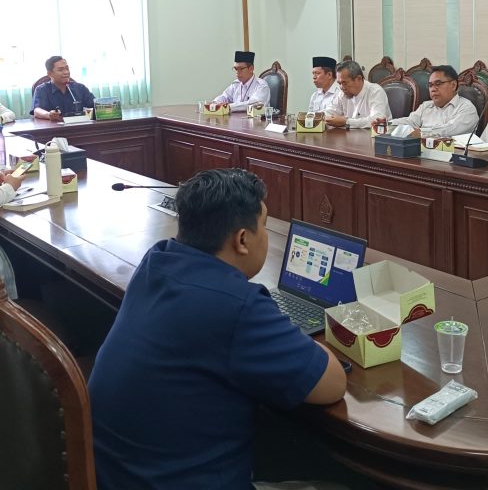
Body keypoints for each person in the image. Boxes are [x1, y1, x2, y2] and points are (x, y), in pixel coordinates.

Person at [88, 168, 348, 490]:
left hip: (115, 477)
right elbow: (332, 384)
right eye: (265, 226)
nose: (266, 237)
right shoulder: (236, 306)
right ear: (242, 239)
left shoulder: (155, 262)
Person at [391, 64, 478, 138]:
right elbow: (410, 121)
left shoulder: (466, 108)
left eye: (438, 84)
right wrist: (387, 124)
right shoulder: (426, 106)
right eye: (430, 85)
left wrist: (422, 133)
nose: (433, 89)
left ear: (453, 85)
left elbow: (450, 130)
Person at [325, 59, 391, 129]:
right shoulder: (342, 94)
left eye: (345, 83)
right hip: (350, 134)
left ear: (359, 78)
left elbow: (377, 120)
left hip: (375, 134)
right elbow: (329, 112)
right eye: (339, 83)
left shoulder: (375, 91)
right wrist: (323, 117)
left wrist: (346, 122)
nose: (341, 87)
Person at [31, 56, 95, 121]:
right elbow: (37, 111)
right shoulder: (42, 90)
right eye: (60, 70)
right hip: (54, 126)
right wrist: (49, 114)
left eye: (67, 68)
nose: (66, 72)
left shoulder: (80, 88)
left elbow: (95, 105)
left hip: (78, 125)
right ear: (50, 74)